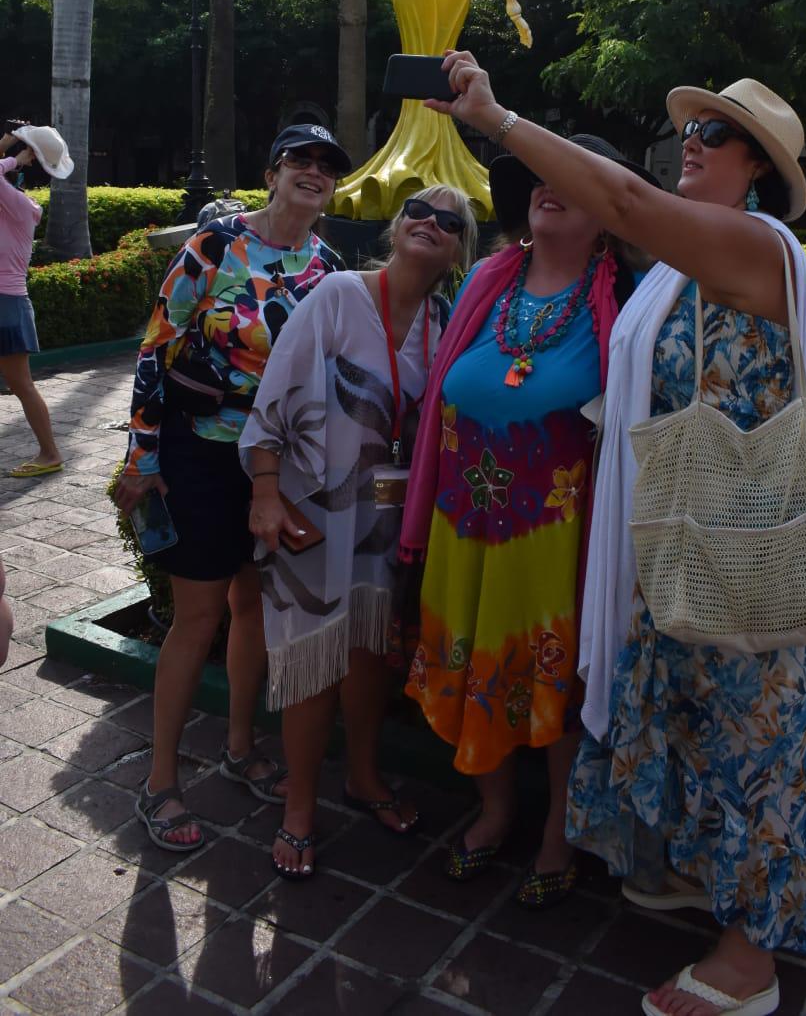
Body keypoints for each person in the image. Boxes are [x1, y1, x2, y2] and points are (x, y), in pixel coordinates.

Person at [424, 54, 806, 1016]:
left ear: (759, 168)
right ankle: (708, 887)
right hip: (684, 536)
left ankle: (750, 962)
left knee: (755, 738)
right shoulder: (680, 273)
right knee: (701, 718)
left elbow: (624, 203)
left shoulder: (754, 248)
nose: (691, 143)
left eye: (715, 135)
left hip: (745, 545)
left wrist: (499, 120)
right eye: (687, 131)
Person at [401, 137, 655, 908]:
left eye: (572, 182)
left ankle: (557, 831)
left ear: (606, 215)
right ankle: (496, 810)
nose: (550, 188)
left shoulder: (626, 305)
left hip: (555, 542)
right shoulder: (485, 280)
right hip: (463, 528)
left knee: (556, 680)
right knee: (475, 662)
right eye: (541, 179)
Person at [114, 124, 351, 853]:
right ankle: (159, 781)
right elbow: (158, 348)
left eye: (326, 166)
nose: (313, 173)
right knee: (198, 615)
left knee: (254, 608)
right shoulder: (214, 247)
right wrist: (141, 457)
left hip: (278, 467)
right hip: (203, 454)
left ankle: (242, 747)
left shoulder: (329, 268)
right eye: (300, 161)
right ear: (273, 171)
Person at [239, 185, 476, 879]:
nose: (429, 223)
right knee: (312, 660)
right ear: (397, 226)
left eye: (449, 221)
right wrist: (262, 492)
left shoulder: (446, 320)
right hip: (309, 511)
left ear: (460, 248)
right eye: (418, 212)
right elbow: (272, 397)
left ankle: (364, 778)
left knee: (372, 654)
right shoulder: (339, 294)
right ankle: (300, 809)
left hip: (387, 524)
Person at [0, 124, 73, 478]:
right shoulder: (9, 203)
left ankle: (50, 452)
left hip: (7, 305)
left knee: (22, 385)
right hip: (7, 303)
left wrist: (10, 157)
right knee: (21, 385)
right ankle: (49, 451)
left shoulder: (16, 204)